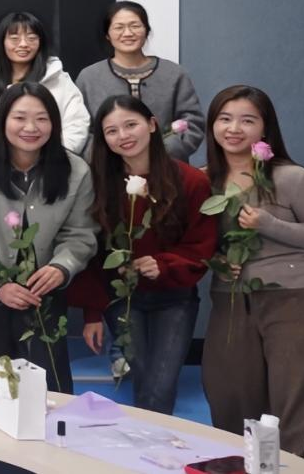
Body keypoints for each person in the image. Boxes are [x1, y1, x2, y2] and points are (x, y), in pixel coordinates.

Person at [0, 82, 98, 393]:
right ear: (3, 121)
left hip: (44, 291)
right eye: (19, 118)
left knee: (47, 385)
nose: (31, 128)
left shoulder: (76, 171)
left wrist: (61, 267)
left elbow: (80, 233)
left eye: (42, 118)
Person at [69, 95, 214, 414]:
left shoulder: (191, 181)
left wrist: (164, 264)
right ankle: (147, 444)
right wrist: (92, 313)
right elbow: (89, 251)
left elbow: (201, 244)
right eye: (111, 131)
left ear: (151, 125)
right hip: (121, 299)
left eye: (131, 125)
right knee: (144, 379)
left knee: (161, 385)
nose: (123, 136)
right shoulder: (97, 185)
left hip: (174, 297)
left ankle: (152, 446)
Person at [200, 85, 304, 456]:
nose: (234, 128)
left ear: (265, 128)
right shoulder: (203, 182)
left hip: (294, 296)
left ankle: (294, 466)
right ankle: (239, 463)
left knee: (292, 398)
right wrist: (216, 261)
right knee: (228, 392)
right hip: (230, 298)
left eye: (247, 120)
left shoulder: (290, 177)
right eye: (225, 119)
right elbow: (195, 242)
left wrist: (269, 224)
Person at [75, 1, 206, 162]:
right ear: (107, 34)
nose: (128, 33)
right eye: (119, 27)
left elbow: (192, 123)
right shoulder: (89, 77)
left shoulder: (174, 74)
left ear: (147, 30)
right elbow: (80, 129)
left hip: (167, 166)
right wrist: (108, 158)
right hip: (109, 170)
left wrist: (158, 153)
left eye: (135, 26)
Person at [0, 12, 90, 155]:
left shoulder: (58, 79)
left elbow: (77, 125)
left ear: (40, 42)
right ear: (2, 41)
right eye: (14, 38)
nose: (23, 44)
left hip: (49, 161)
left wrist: (54, 158)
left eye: (31, 38)